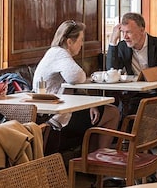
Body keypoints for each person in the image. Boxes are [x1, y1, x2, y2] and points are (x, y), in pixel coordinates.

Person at [33, 20, 119, 152]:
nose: (82, 44)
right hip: (55, 117)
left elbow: (72, 85)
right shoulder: (59, 54)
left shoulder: (54, 53)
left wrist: (90, 105)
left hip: (58, 110)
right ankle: (100, 159)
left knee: (102, 113)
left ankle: (91, 159)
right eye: (81, 40)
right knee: (113, 113)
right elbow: (76, 76)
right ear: (69, 42)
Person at [107, 12, 157, 114]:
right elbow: (111, 71)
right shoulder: (123, 47)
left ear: (142, 30)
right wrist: (113, 42)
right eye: (123, 32)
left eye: (129, 32)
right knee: (121, 111)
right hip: (136, 96)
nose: (125, 37)